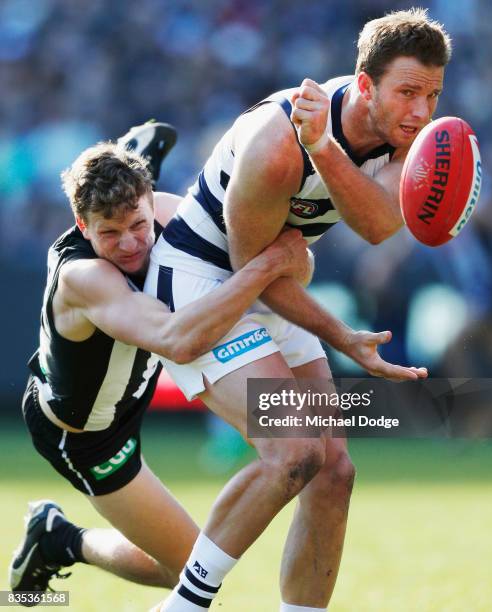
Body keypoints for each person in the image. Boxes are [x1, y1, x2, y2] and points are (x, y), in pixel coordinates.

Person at [146, 8, 451, 612]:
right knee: (294, 451)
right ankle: (181, 607)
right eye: (408, 93)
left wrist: (327, 149)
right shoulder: (279, 142)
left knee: (334, 470)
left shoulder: (399, 139)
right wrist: (341, 334)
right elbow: (249, 271)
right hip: (204, 285)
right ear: (365, 86)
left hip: (269, 280)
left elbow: (378, 223)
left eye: (433, 95)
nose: (421, 112)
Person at [9, 122, 312, 602]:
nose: (130, 244)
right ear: (83, 225)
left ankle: (134, 151)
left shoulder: (161, 213)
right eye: (110, 233)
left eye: (138, 225)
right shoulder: (84, 277)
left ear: (150, 200)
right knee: (184, 568)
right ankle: (60, 539)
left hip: (126, 399)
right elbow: (177, 341)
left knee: (197, 562)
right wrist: (267, 265)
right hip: (83, 435)